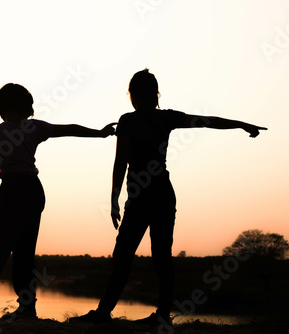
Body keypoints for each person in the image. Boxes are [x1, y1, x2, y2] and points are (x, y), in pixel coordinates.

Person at [70, 69, 267, 327]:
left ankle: (106, 313)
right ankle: (160, 316)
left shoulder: (128, 120)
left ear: (133, 95)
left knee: (124, 255)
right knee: (161, 256)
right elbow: (207, 120)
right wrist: (241, 124)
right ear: (156, 94)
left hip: (142, 195)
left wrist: (113, 199)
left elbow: (121, 162)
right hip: (162, 192)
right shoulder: (166, 118)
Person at [0, 83, 116, 319]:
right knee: (24, 252)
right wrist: (99, 132)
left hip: (13, 190)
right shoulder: (34, 127)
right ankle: (27, 307)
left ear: (0, 107)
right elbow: (70, 128)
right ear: (27, 106)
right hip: (33, 191)